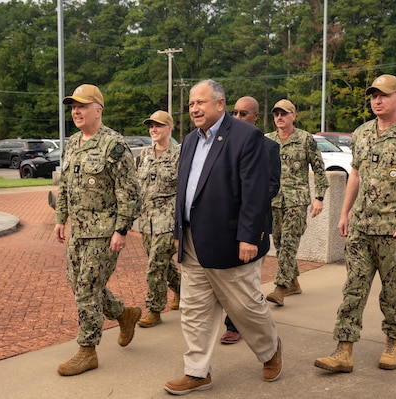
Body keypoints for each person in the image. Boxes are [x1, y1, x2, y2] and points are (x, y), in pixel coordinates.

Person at [164, 80, 282, 395]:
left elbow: (255, 192)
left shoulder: (246, 137)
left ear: (220, 104)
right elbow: (183, 191)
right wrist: (179, 230)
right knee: (193, 310)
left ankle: (270, 350)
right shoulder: (188, 141)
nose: (195, 109)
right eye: (191, 104)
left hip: (230, 241)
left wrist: (248, 237)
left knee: (244, 307)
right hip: (192, 241)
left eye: (201, 102)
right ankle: (197, 371)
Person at [314, 74, 396, 373]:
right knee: (353, 289)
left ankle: (394, 342)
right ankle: (343, 351)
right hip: (361, 227)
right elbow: (354, 175)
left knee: (392, 291)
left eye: (383, 95)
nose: (377, 100)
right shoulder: (362, 133)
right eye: (373, 96)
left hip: (395, 230)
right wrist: (344, 213)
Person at [53, 84, 142, 376]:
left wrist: (122, 230)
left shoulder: (114, 146)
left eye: (82, 105)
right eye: (73, 106)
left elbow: (129, 193)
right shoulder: (74, 142)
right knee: (76, 282)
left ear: (98, 110)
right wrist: (60, 218)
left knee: (87, 290)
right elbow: (64, 184)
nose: (76, 111)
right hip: (78, 230)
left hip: (104, 232)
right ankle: (123, 313)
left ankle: (87, 350)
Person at [220, 96, 281, 345]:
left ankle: (240, 327)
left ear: (256, 117)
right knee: (229, 278)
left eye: (243, 114)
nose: (237, 118)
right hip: (225, 224)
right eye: (234, 113)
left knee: (248, 281)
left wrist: (244, 199)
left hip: (254, 224)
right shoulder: (223, 144)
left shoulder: (268, 147)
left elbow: (271, 186)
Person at [265, 99, 329, 306]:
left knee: (289, 244)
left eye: (284, 113)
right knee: (279, 242)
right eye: (276, 114)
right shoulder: (267, 140)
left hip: (297, 201)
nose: (279, 117)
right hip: (274, 201)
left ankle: (280, 287)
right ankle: (293, 282)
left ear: (294, 115)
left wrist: (319, 197)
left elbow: (319, 170)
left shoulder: (305, 139)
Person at [136, 110, 181, 328]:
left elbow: (184, 191)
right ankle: (181, 290)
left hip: (168, 220)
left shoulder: (179, 154)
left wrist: (182, 226)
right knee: (161, 263)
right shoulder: (144, 154)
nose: (154, 129)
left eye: (159, 126)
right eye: (151, 126)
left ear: (169, 129)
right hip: (147, 221)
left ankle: (154, 309)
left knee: (155, 264)